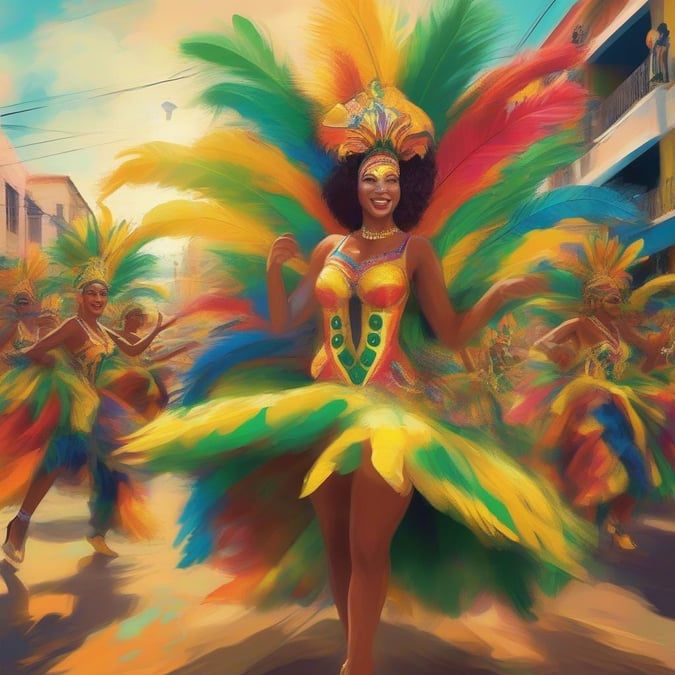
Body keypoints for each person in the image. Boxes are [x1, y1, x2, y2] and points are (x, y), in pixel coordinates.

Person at [2, 257, 175, 564]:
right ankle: (19, 525)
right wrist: (58, 372)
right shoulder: (74, 326)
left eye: (102, 294)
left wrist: (158, 330)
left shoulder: (101, 331)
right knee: (59, 459)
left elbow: (132, 350)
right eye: (92, 293)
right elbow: (35, 352)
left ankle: (98, 529)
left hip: (95, 406)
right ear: (80, 297)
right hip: (73, 404)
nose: (98, 299)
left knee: (112, 464)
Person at [508, 233, 675, 550]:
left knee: (639, 471)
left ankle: (616, 522)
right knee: (591, 474)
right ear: (595, 301)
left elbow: (647, 354)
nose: (619, 303)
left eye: (619, 298)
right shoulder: (580, 323)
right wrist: (557, 352)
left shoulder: (619, 328)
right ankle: (579, 537)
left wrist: (660, 349)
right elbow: (543, 343)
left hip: (620, 401)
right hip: (588, 404)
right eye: (613, 299)